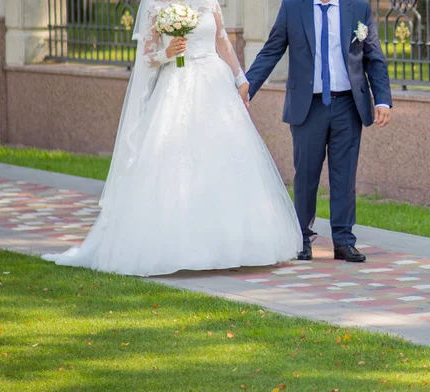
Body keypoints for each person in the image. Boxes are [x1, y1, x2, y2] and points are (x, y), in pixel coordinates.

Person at [42, 0, 302, 276]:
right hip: (177, 84)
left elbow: (222, 41)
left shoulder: (210, 1)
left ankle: (237, 245)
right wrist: (167, 53)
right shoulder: (156, 5)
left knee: (225, 162)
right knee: (176, 163)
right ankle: (180, 247)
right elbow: (145, 57)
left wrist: (240, 77)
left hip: (215, 85)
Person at [243, 0, 393, 263]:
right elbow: (271, 51)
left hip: (348, 104)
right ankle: (301, 237)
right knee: (306, 175)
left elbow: (373, 56)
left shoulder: (358, 8)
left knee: (344, 175)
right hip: (308, 106)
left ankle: (344, 240)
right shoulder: (293, 7)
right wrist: (247, 89)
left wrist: (382, 99)